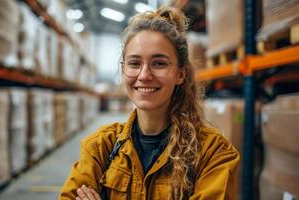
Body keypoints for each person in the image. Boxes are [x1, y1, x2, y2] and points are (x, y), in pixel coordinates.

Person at [59, 6, 240, 200]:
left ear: (181, 74)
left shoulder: (213, 153)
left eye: (159, 63)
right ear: (123, 70)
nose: (144, 75)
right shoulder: (100, 147)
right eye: (135, 63)